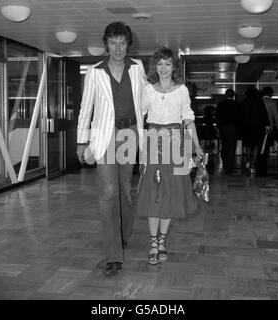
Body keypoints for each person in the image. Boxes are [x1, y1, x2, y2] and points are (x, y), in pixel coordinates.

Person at [77, 21, 146, 276]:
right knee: (108, 192)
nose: (118, 48)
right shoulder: (95, 72)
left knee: (125, 192)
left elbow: (144, 101)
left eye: (122, 42)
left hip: (129, 135)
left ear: (128, 45)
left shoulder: (137, 68)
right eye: (113, 42)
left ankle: (123, 234)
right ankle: (113, 254)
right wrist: (81, 141)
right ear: (106, 44)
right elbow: (86, 109)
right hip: (105, 137)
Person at [136, 47, 203, 265]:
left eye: (167, 64)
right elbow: (140, 118)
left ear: (174, 67)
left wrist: (197, 146)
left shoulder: (182, 90)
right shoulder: (147, 90)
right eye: (160, 64)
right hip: (153, 144)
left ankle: (162, 241)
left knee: (171, 195)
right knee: (154, 195)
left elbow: (188, 119)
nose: (163, 68)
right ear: (155, 67)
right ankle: (153, 243)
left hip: (176, 145)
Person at [240, 86, 270, 174]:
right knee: (256, 146)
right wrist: (267, 125)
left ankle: (248, 161)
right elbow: (265, 114)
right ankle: (253, 164)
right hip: (258, 127)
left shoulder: (243, 103)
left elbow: (240, 117)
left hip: (247, 128)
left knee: (248, 146)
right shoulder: (259, 102)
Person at [257, 86, 278, 175]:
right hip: (268, 129)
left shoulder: (258, 101)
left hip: (258, 128)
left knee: (258, 146)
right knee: (266, 148)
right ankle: (263, 166)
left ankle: (257, 164)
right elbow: (277, 116)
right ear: (270, 93)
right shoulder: (273, 103)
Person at [216, 89, 240, 174]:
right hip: (234, 128)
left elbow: (217, 118)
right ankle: (229, 167)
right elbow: (240, 118)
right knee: (232, 147)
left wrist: (218, 128)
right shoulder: (237, 105)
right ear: (233, 95)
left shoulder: (220, 105)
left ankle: (225, 165)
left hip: (223, 128)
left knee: (224, 146)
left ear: (226, 95)